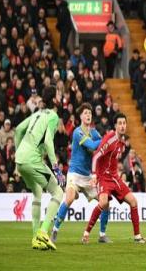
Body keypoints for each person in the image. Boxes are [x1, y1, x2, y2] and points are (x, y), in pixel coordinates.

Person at [51, 103, 110, 243]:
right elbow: (93, 145)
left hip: (88, 177)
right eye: (85, 113)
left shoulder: (94, 132)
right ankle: (55, 230)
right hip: (74, 174)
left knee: (105, 202)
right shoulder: (77, 132)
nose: (88, 115)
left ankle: (102, 235)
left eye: (90, 113)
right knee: (70, 198)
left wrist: (105, 142)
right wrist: (107, 139)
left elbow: (102, 147)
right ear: (81, 117)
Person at [82, 113, 146, 244]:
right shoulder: (110, 139)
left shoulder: (122, 142)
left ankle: (137, 236)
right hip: (103, 177)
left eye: (124, 123)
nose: (122, 126)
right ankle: (86, 234)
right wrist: (94, 175)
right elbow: (96, 156)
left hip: (114, 178)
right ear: (115, 126)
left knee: (133, 202)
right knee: (103, 203)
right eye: (120, 123)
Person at [15, 86, 64, 251]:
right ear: (54, 99)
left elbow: (18, 130)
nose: (60, 97)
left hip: (20, 159)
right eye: (58, 94)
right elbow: (48, 141)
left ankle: (36, 238)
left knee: (37, 192)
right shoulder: (53, 116)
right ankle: (43, 232)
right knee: (58, 192)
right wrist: (56, 168)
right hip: (32, 159)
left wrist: (18, 155)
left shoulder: (37, 113)